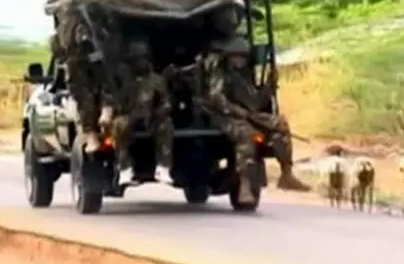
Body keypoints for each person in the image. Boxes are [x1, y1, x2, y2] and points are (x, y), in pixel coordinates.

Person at [198, 36, 308, 204]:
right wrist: (238, 111)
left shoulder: (244, 77)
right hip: (222, 116)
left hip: (248, 114)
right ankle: (245, 186)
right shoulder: (220, 74)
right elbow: (216, 99)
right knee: (248, 136)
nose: (239, 60)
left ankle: (286, 174)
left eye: (243, 56)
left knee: (280, 125)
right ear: (228, 57)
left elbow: (256, 102)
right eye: (236, 56)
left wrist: (269, 86)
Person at [43, 0, 112, 153]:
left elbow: (47, 8)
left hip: (74, 60)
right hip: (98, 55)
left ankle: (92, 138)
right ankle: (107, 110)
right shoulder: (97, 3)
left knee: (83, 97)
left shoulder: (63, 6)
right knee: (108, 84)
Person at [111, 40, 174, 184]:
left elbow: (167, 102)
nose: (140, 62)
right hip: (129, 115)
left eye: (143, 58)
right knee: (119, 125)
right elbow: (112, 99)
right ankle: (125, 168)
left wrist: (160, 111)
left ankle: (163, 168)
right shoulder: (123, 79)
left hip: (151, 117)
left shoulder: (157, 80)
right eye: (136, 58)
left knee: (166, 125)